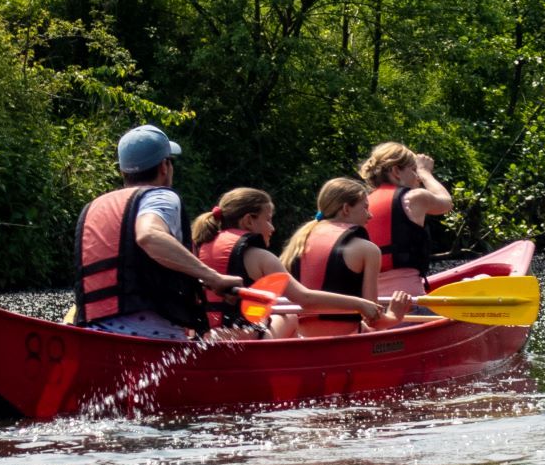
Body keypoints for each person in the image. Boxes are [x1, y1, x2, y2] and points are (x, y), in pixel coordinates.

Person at [73, 125, 244, 340]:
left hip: (92, 333)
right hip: (151, 338)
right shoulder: (161, 197)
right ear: (164, 166)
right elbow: (149, 235)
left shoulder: (95, 206)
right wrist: (213, 277)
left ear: (123, 171)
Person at [190, 187, 392, 339]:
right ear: (249, 220)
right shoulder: (261, 257)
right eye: (268, 219)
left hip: (204, 336)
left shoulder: (198, 249)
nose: (272, 228)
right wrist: (360, 304)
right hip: (242, 339)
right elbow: (305, 299)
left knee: (268, 313)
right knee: (290, 316)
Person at [279, 178, 416, 338]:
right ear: (346, 209)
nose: (370, 215)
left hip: (303, 338)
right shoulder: (368, 249)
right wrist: (394, 315)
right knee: (382, 333)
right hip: (347, 339)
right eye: (365, 208)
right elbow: (375, 320)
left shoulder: (299, 242)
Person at [356, 142, 454, 296]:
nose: (418, 178)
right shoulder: (414, 198)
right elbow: (446, 203)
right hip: (407, 298)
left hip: (370, 301)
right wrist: (425, 172)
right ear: (396, 171)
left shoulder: (361, 206)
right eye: (414, 170)